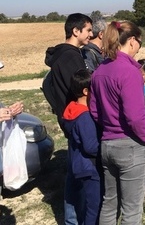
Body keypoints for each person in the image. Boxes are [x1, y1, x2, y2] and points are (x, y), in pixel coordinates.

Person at [89, 21, 145, 225]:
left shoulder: (100, 70)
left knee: (109, 203)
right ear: (133, 41)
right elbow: (135, 116)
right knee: (131, 210)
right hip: (131, 145)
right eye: (140, 43)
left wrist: (110, 125)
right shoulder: (129, 71)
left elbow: (94, 109)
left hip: (108, 144)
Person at [44, 13, 93, 225]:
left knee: (74, 170)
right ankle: (78, 219)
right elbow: (83, 90)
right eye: (88, 30)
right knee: (82, 174)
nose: (91, 34)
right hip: (78, 118)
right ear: (76, 31)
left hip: (68, 116)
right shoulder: (71, 57)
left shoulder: (60, 55)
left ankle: (72, 220)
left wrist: (59, 109)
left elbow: (47, 86)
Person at [63, 69, 101, 225]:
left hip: (75, 162)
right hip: (89, 167)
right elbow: (91, 146)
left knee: (78, 200)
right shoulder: (84, 116)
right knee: (94, 207)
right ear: (86, 91)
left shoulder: (71, 109)